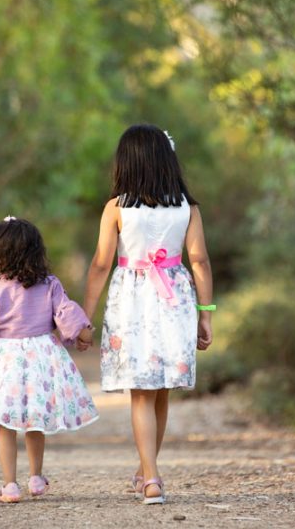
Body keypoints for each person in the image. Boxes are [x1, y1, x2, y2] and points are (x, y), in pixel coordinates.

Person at [83, 124, 214, 505]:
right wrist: (206, 314)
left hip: (132, 303)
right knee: (160, 394)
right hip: (176, 300)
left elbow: (99, 265)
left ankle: (152, 477)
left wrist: (85, 318)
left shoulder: (117, 208)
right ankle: (146, 470)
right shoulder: (187, 208)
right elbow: (200, 261)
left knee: (141, 394)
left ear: (127, 163)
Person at [0, 216, 98, 503]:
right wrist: (84, 332)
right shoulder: (49, 285)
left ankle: (9, 485)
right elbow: (66, 313)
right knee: (35, 421)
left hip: (5, 361)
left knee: (6, 425)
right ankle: (36, 478)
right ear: (35, 252)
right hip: (42, 358)